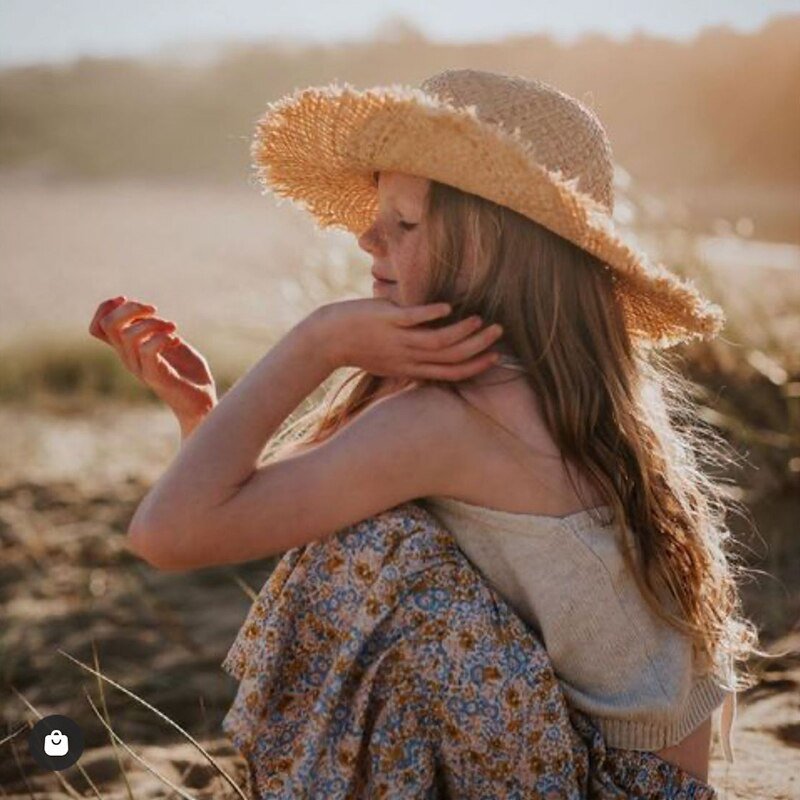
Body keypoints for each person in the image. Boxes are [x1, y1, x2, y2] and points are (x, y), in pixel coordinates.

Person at [89, 68, 762, 797]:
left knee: (372, 552)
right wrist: (202, 417)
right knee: (370, 548)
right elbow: (267, 508)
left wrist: (316, 342)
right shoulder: (564, 388)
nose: (367, 238)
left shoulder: (453, 418)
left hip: (609, 784)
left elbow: (171, 533)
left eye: (404, 224)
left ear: (492, 245)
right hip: (645, 781)